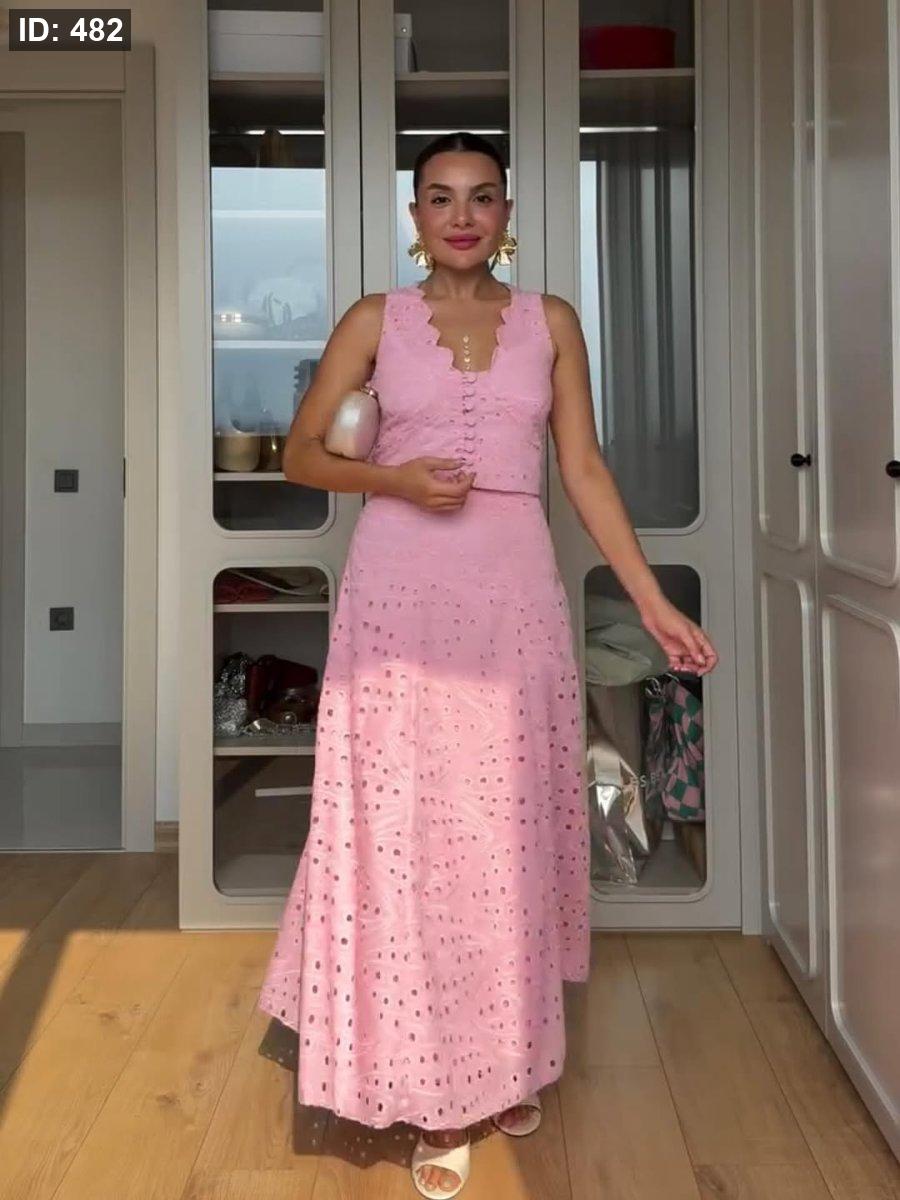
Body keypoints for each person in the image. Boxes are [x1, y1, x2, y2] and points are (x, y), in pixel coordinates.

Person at [257, 130, 718, 1198]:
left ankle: (501, 1057)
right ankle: (431, 1087)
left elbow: (583, 468)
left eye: (481, 197)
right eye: (440, 197)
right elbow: (301, 455)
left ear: (507, 213)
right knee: (412, 831)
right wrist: (395, 480)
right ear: (415, 216)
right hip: (398, 594)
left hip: (514, 600)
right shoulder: (373, 320)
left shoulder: (550, 322)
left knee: (500, 832)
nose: (461, 215)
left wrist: (652, 601)